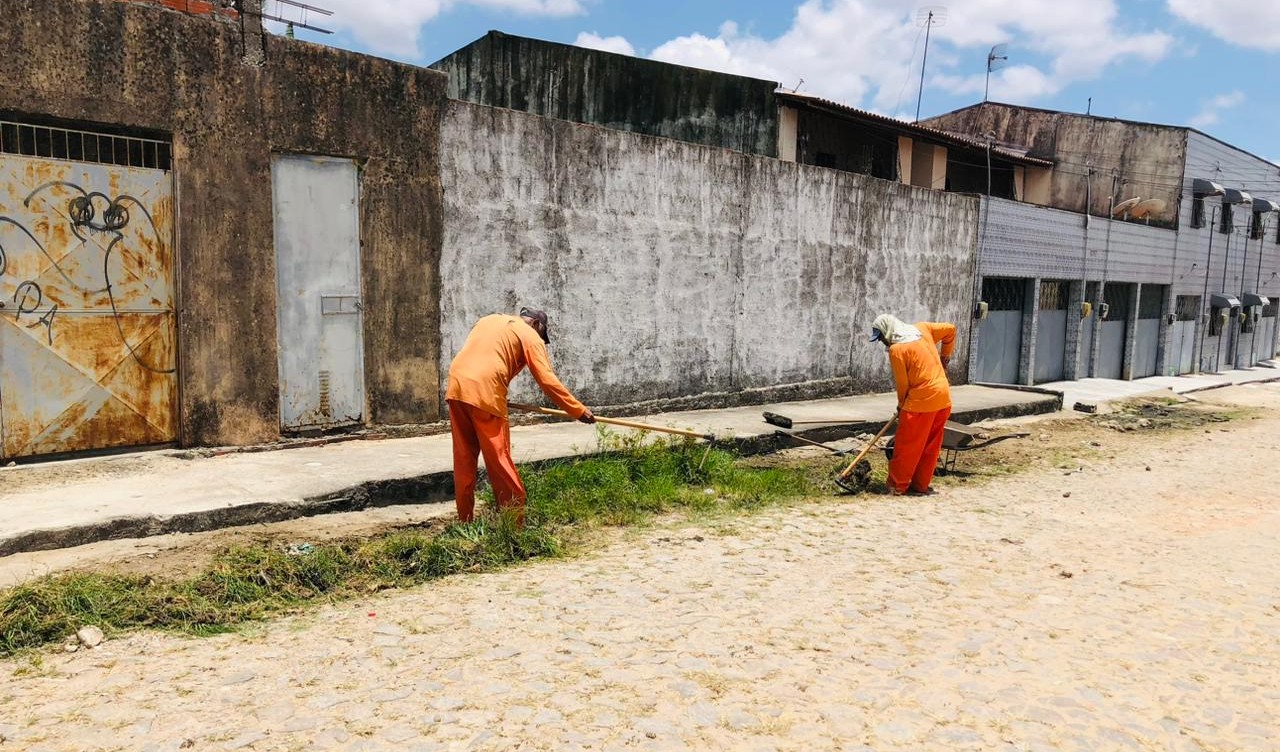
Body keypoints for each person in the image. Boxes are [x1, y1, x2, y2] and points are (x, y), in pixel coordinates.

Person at [446, 307, 595, 526]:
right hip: (485, 392)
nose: (540, 340)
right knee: (499, 459)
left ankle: (464, 523)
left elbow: (485, 357)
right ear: (536, 325)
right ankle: (514, 527)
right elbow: (547, 379)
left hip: (456, 387)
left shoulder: (488, 320)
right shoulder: (531, 336)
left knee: (464, 459)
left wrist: (491, 390)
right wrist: (578, 410)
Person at [870, 313, 956, 497]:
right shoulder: (923, 329)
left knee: (907, 446)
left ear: (888, 331)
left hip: (920, 402)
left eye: (882, 338)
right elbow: (951, 330)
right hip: (943, 397)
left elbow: (903, 384)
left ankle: (897, 486)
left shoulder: (897, 350)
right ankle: (920, 486)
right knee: (930, 446)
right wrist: (945, 359)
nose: (884, 342)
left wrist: (901, 407)